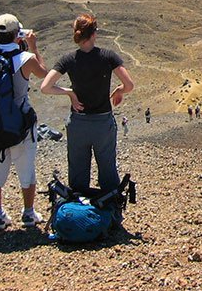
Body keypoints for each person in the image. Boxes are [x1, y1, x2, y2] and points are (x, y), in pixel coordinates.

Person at [41, 13, 134, 194]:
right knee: (107, 166)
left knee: (77, 169)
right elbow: (129, 85)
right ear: (94, 34)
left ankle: (78, 210)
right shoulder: (108, 56)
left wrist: (69, 93)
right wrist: (119, 90)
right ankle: (109, 206)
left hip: (78, 123)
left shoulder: (68, 59)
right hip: (102, 123)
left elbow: (45, 87)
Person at [0, 13, 48, 235]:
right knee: (26, 169)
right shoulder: (25, 58)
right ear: (16, 35)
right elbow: (45, 74)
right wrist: (33, 47)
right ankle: (29, 212)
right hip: (21, 123)